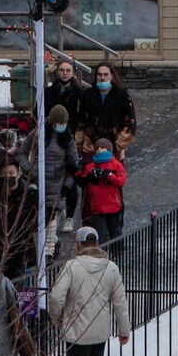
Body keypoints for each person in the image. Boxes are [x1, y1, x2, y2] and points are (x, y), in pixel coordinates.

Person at [49, 226, 131, 356]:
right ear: (98, 244)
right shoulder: (111, 268)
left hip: (77, 330)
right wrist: (124, 330)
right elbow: (120, 302)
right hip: (100, 331)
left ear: (79, 245)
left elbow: (56, 297)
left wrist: (56, 318)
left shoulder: (72, 267)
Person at [76, 136, 127, 242]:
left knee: (115, 235)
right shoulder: (90, 167)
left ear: (108, 149)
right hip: (98, 208)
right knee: (101, 237)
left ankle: (116, 255)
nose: (99, 149)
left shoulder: (116, 165)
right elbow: (83, 181)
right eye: (97, 147)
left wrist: (108, 175)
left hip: (113, 208)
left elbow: (121, 181)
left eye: (102, 147)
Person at [80, 63, 137, 155]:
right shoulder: (87, 96)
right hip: (90, 147)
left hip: (114, 147)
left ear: (111, 76)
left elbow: (131, 123)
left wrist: (120, 145)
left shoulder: (122, 97)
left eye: (106, 74)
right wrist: (82, 144)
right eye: (99, 74)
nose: (102, 78)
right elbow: (81, 120)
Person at [44, 105, 82, 233]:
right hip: (46, 175)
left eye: (64, 123)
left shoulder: (67, 137)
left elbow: (74, 161)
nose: (62, 125)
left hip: (63, 173)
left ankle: (68, 217)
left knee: (71, 191)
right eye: (60, 123)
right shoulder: (42, 134)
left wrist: (68, 182)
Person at [45, 59, 88, 130]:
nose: (65, 73)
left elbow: (83, 115)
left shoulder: (80, 93)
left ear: (73, 73)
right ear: (57, 72)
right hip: (51, 130)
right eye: (61, 70)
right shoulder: (48, 92)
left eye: (68, 70)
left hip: (72, 130)